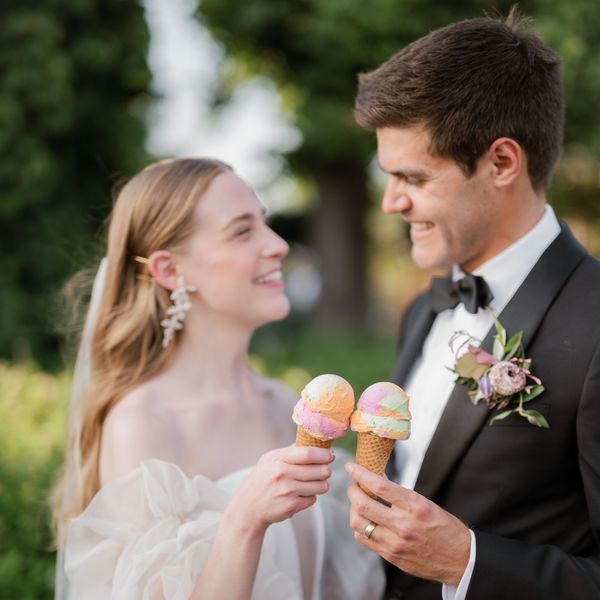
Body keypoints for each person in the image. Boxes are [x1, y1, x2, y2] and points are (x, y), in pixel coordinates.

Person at [344, 9, 600, 600]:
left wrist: (468, 563)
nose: (390, 203)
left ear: (502, 162)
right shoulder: (424, 310)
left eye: (412, 177)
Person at [52, 158, 385, 600]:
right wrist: (244, 520)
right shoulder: (144, 424)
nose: (279, 246)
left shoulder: (282, 401)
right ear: (171, 271)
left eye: (264, 223)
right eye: (242, 231)